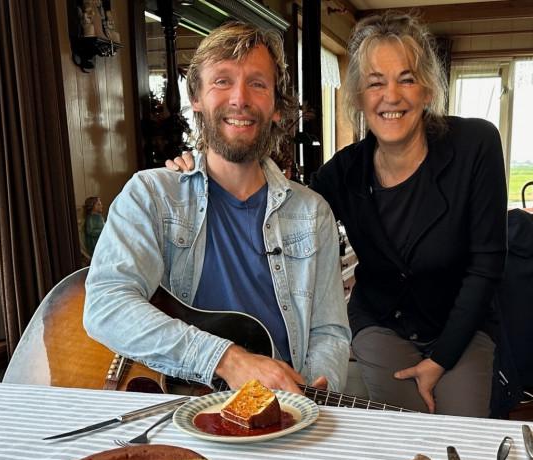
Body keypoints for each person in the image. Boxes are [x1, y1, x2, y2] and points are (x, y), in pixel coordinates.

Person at [169, 12, 507, 416]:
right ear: (359, 98)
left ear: (428, 90)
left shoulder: (476, 144)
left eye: (406, 78)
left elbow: (487, 265)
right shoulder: (344, 170)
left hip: (462, 325)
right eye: (375, 82)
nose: (391, 96)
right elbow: (281, 205)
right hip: (383, 322)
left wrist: (441, 360)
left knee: (464, 434)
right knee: (405, 432)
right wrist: (195, 174)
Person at [83, 22, 350, 395]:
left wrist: (317, 390)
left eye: (258, 83)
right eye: (222, 81)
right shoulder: (151, 195)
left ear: (276, 106)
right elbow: (107, 306)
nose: (240, 98)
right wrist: (228, 359)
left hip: (285, 412)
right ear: (196, 96)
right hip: (179, 406)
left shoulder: (313, 212)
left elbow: (329, 331)